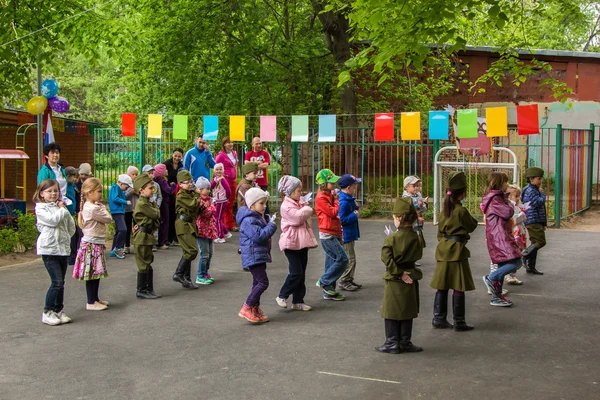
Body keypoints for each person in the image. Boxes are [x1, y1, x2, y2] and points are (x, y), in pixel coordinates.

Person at [430, 172, 478, 332]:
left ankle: (439, 318)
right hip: (457, 251)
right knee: (459, 285)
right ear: (462, 193)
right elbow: (472, 225)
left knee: (442, 286)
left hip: (443, 249)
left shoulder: (445, 209)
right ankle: (459, 321)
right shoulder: (460, 211)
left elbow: (440, 232)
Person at [376, 197, 423, 354]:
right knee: (406, 310)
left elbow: (386, 259)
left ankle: (392, 343)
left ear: (399, 218)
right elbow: (418, 254)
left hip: (395, 278)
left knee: (391, 311)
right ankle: (405, 341)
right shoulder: (416, 237)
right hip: (411, 274)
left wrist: (399, 273)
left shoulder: (391, 238)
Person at [34, 179, 76, 326]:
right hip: (49, 249)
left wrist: (64, 238)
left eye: (55, 190)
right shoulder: (41, 208)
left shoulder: (60, 207)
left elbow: (71, 226)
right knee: (56, 282)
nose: (53, 193)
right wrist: (62, 209)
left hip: (62, 249)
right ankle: (47, 312)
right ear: (41, 193)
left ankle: (59, 310)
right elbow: (52, 221)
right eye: (49, 191)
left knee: (61, 283)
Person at [275, 176, 317, 311]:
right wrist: (307, 208)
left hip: (302, 242)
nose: (301, 193)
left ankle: (298, 300)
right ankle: (282, 295)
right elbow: (298, 218)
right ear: (290, 191)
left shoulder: (298, 203)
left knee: (302, 273)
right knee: (296, 272)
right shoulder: (286, 206)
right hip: (291, 243)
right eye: (299, 190)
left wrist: (304, 206)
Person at [481, 172, 523, 307]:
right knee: (516, 261)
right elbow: (508, 212)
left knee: (502, 264)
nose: (507, 185)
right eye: (505, 182)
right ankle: (491, 278)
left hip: (499, 235)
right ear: (500, 183)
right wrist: (510, 202)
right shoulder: (495, 199)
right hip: (500, 236)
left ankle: (496, 295)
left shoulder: (496, 197)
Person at [237, 188, 277, 323]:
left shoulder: (257, 217)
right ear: (251, 205)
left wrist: (266, 220)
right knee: (263, 282)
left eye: (265, 203)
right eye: (261, 203)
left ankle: (254, 308)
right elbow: (259, 236)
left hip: (258, 254)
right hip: (253, 255)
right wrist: (271, 226)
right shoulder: (248, 220)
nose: (264, 206)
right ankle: (247, 307)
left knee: (257, 282)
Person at [73, 177, 112, 311]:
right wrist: (102, 208)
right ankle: (91, 301)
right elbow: (108, 218)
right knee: (91, 274)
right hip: (91, 243)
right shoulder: (92, 208)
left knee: (96, 272)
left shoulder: (93, 206)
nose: (101, 194)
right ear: (90, 193)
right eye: (99, 191)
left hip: (96, 243)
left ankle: (95, 298)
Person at [314, 169, 347, 301]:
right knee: (343, 259)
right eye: (331, 183)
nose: (334, 185)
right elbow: (333, 212)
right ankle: (324, 281)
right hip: (327, 234)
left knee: (331, 261)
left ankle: (329, 291)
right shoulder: (321, 198)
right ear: (324, 184)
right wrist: (338, 201)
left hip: (334, 231)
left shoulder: (329, 195)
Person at [132, 174, 162, 299]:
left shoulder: (148, 203)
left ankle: (149, 289)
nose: (153, 191)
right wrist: (155, 210)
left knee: (148, 262)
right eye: (150, 188)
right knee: (143, 264)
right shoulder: (142, 204)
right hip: (142, 237)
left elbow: (156, 220)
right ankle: (142, 290)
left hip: (147, 235)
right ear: (141, 190)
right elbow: (156, 215)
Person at [173, 170, 200, 290]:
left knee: (187, 252)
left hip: (190, 224)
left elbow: (198, 208)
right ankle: (178, 274)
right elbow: (193, 205)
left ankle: (186, 279)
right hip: (183, 225)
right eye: (187, 182)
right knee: (192, 251)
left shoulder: (190, 193)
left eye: (191, 182)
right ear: (180, 184)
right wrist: (199, 195)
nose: (190, 184)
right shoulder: (181, 195)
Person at [337, 174, 362, 291]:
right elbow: (342, 219)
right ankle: (344, 280)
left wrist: (356, 208)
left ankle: (349, 279)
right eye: (354, 186)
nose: (355, 189)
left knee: (352, 258)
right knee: (350, 259)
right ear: (348, 188)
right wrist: (354, 214)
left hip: (350, 233)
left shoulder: (348, 199)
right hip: (346, 234)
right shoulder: (344, 201)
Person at [521, 167, 547, 275]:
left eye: (541, 179)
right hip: (533, 219)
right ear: (531, 179)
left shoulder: (533, 189)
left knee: (534, 243)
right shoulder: (531, 190)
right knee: (540, 242)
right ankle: (524, 255)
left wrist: (543, 223)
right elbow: (537, 202)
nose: (540, 181)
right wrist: (543, 194)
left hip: (536, 219)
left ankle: (531, 267)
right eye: (538, 179)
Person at [194, 177, 217, 285]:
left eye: (208, 188)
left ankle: (205, 272)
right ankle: (200, 275)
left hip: (210, 229)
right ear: (199, 189)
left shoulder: (209, 200)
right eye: (205, 188)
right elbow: (205, 213)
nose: (208, 190)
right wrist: (212, 207)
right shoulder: (199, 200)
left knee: (210, 253)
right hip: (201, 230)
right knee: (205, 254)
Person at [37, 143, 71, 209]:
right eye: (52, 153)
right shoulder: (44, 171)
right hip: (51, 204)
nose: (55, 155)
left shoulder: (62, 169)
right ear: (46, 156)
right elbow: (41, 189)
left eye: (57, 153)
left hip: (64, 201)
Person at [215, 136, 239, 231]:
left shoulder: (234, 153)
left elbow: (235, 165)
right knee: (224, 202)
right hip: (225, 181)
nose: (231, 144)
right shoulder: (220, 155)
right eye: (229, 142)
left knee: (231, 202)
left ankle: (230, 224)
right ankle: (224, 224)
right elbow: (216, 167)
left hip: (233, 181)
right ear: (224, 144)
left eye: (232, 142)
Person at [402, 175, 426, 266]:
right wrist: (417, 206)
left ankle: (412, 259)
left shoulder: (418, 195)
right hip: (409, 224)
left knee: (416, 242)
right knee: (408, 241)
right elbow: (407, 210)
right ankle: (405, 259)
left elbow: (423, 209)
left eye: (417, 186)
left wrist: (421, 205)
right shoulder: (405, 197)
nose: (416, 188)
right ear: (407, 187)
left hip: (417, 224)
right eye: (414, 186)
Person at [505, 184, 526, 285]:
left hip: (519, 233)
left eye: (519, 196)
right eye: (516, 196)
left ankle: (512, 275)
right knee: (513, 255)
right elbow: (513, 220)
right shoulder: (510, 206)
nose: (518, 198)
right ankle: (508, 275)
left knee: (518, 254)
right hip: (514, 234)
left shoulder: (516, 206)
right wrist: (522, 215)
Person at [108, 174, 133, 259]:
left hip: (120, 211)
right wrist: (125, 202)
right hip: (117, 211)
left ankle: (113, 250)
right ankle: (118, 248)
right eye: (127, 185)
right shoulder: (115, 188)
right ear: (121, 183)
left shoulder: (119, 189)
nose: (127, 188)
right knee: (123, 229)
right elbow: (115, 198)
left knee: (119, 230)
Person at [244, 137, 271, 214]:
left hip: (262, 182)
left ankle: (266, 218)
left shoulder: (265, 153)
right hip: (251, 182)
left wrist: (252, 165)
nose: (259, 145)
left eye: (260, 143)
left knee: (264, 202)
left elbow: (266, 165)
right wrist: (258, 163)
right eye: (257, 143)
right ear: (253, 145)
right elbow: (246, 164)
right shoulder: (248, 154)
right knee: (253, 201)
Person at [164, 148, 184, 245]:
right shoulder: (166, 164)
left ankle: (174, 237)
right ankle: (167, 239)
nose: (177, 158)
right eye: (175, 156)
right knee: (169, 215)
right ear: (172, 155)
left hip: (177, 191)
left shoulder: (181, 165)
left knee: (176, 215)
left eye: (179, 156)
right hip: (168, 192)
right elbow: (163, 176)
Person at [153, 163, 174, 249]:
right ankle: (162, 242)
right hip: (164, 203)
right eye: (165, 169)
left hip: (160, 203)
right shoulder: (162, 181)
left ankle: (160, 240)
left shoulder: (156, 180)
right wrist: (173, 186)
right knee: (165, 221)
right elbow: (169, 191)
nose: (167, 171)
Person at [211, 163, 232, 243]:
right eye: (217, 169)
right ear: (214, 171)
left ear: (223, 170)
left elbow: (228, 190)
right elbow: (211, 186)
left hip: (221, 201)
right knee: (217, 218)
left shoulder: (222, 179)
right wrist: (215, 180)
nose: (219, 171)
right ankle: (226, 232)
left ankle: (220, 236)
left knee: (217, 219)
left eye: (220, 169)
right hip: (217, 200)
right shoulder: (216, 178)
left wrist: (226, 198)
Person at [65, 166, 80, 266]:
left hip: (72, 212)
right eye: (73, 176)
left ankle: (73, 255)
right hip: (67, 213)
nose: (75, 179)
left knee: (76, 234)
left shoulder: (72, 186)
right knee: (72, 235)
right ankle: (71, 257)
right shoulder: (64, 186)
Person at [124, 166, 139, 254]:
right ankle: (127, 245)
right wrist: (130, 191)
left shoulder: (137, 184)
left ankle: (137, 244)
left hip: (136, 209)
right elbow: (124, 196)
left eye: (136, 174)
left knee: (136, 227)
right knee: (127, 227)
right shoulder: (125, 185)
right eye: (133, 174)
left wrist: (137, 193)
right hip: (128, 209)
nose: (135, 176)